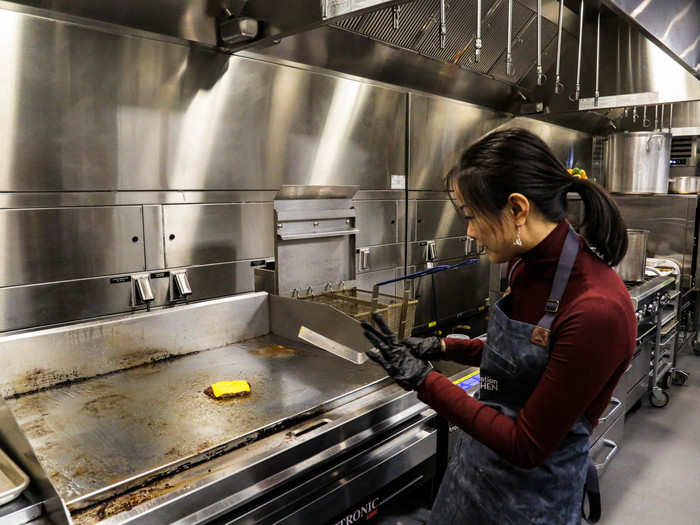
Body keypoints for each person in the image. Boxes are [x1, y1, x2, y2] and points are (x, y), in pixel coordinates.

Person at [362, 128, 636, 525]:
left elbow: (526, 445)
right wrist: (442, 348)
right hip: (475, 474)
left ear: (517, 209)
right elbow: (522, 360)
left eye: (472, 216)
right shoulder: (525, 266)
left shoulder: (597, 309)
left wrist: (424, 380)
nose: (470, 232)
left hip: (531, 501)